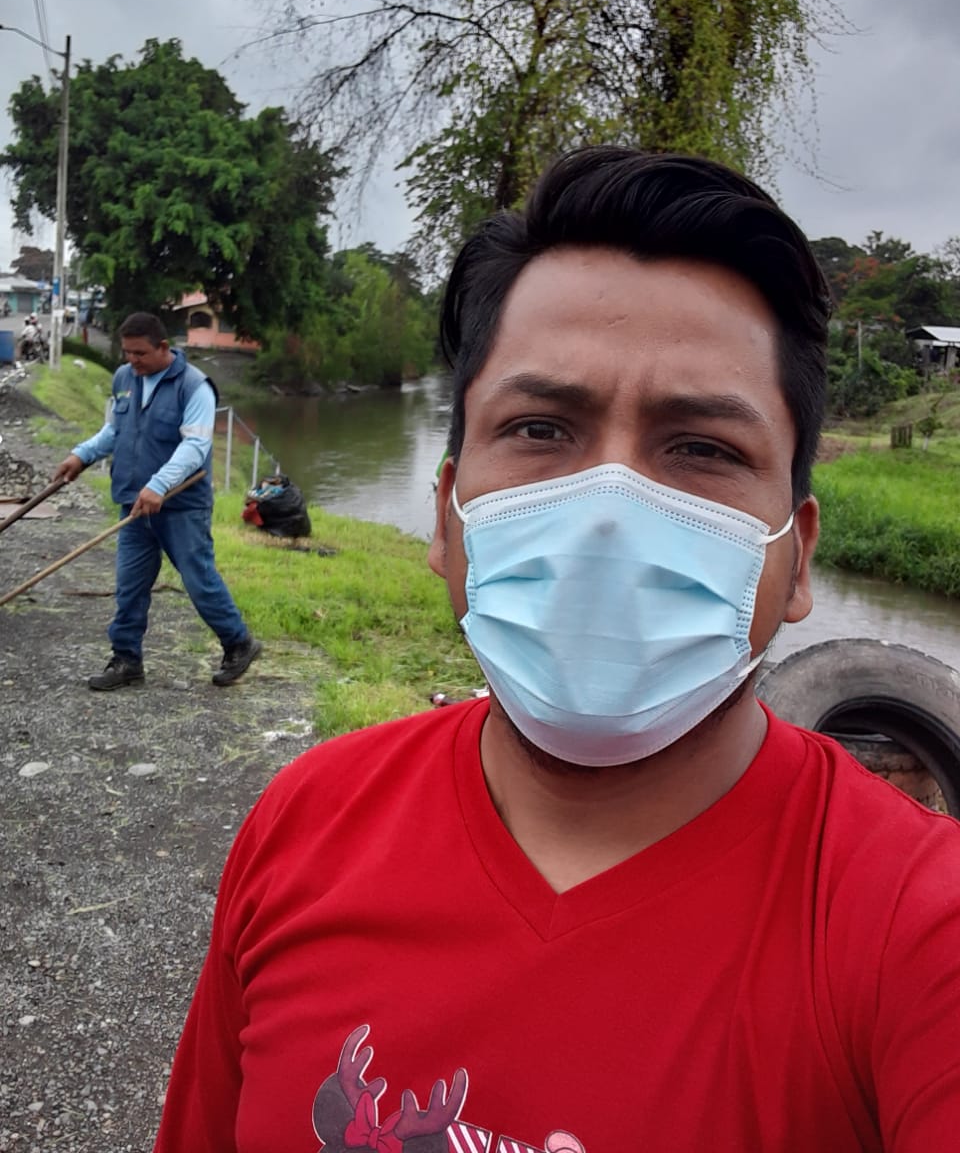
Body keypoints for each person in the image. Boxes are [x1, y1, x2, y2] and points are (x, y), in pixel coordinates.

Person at [153, 150, 960, 1153]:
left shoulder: (917, 928)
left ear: (797, 557)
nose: (607, 513)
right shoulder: (303, 825)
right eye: (540, 427)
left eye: (703, 448)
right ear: (445, 518)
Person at [54, 311, 261, 690]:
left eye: (140, 353)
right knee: (129, 586)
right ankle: (126, 659)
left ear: (163, 347)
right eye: (127, 352)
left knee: (199, 580)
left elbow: (196, 446)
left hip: (181, 505)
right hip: (135, 503)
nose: (132, 360)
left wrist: (160, 485)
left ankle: (239, 643)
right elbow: (115, 430)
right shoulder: (124, 378)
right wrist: (81, 455)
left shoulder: (195, 387)